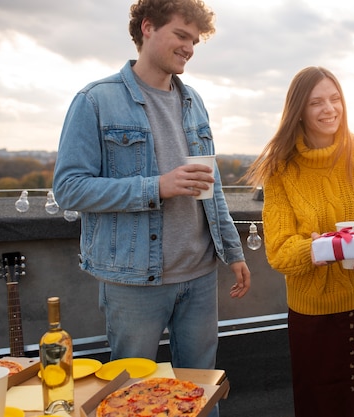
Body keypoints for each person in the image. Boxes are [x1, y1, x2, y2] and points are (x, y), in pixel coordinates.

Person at [52, 0, 250, 395]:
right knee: (132, 394)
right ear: (147, 28)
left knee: (200, 392)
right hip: (133, 281)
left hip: (199, 274)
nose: (189, 47)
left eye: (194, 40)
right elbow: (69, 187)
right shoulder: (95, 100)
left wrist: (234, 252)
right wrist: (155, 186)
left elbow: (213, 187)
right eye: (181, 35)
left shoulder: (194, 100)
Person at [242, 66, 354, 417]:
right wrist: (323, 248)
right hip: (315, 316)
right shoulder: (280, 168)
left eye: (335, 98)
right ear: (299, 110)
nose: (330, 109)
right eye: (316, 102)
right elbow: (278, 251)